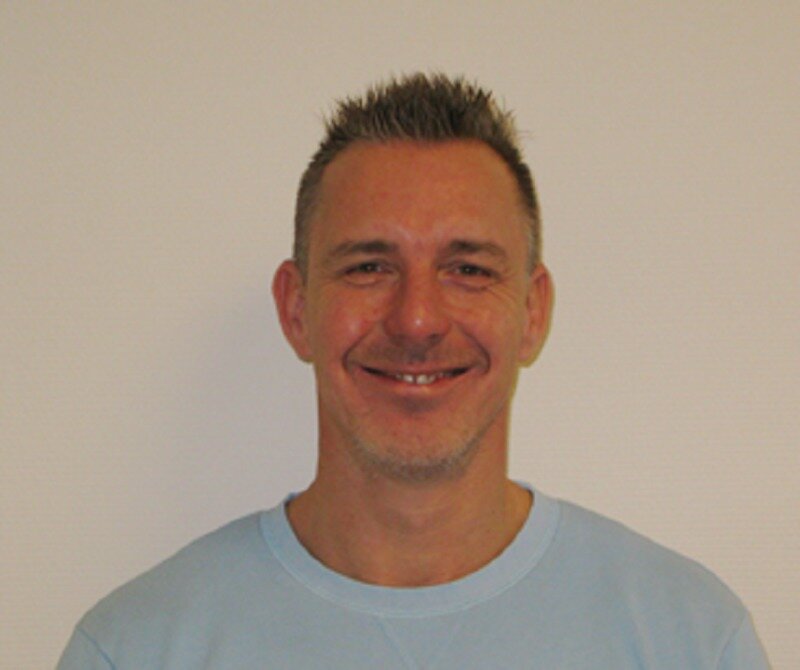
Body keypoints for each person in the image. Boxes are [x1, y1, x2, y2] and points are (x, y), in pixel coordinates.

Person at [57, 73, 770, 669]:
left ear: (532, 311)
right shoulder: (136, 649)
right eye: (369, 267)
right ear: (297, 309)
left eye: (469, 269)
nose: (417, 319)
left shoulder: (690, 640)